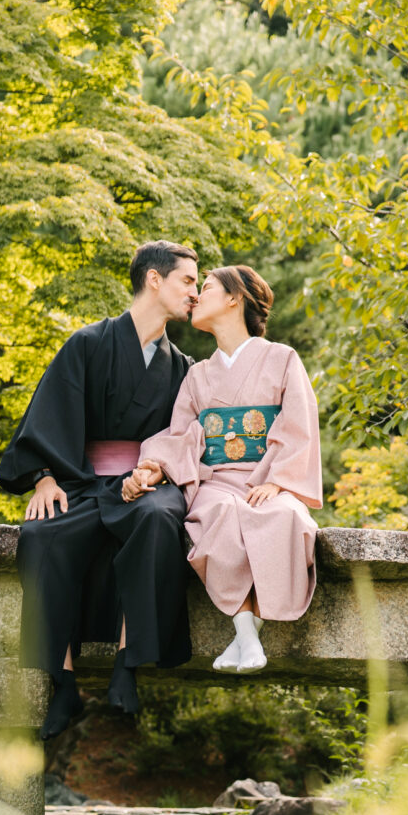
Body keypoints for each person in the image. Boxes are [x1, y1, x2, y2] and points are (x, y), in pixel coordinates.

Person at [0, 243, 200, 739]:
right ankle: (61, 678)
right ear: (154, 279)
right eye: (188, 281)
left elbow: (192, 436)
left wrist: (154, 472)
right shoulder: (88, 343)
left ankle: (128, 663)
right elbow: (47, 416)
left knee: (157, 519)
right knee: (43, 535)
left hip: (151, 482)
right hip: (85, 481)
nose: (195, 292)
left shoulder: (184, 367)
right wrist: (43, 476)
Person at [126, 265, 322, 674]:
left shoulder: (283, 358)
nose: (197, 295)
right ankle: (248, 637)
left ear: (235, 298)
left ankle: (244, 638)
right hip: (215, 481)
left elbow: (298, 425)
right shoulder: (198, 374)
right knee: (217, 514)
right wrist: (153, 466)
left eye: (208, 287)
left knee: (285, 516)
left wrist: (278, 481)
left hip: (268, 480)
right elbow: (181, 435)